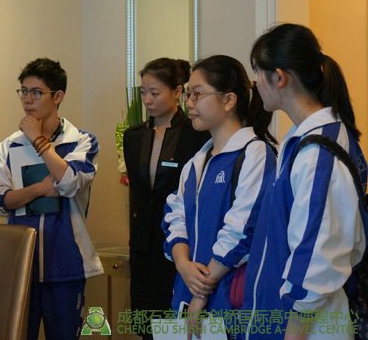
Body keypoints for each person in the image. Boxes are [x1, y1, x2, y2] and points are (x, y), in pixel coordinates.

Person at [242, 23, 367, 340]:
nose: (256, 83)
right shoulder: (305, 139)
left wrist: (294, 331)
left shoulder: (317, 151)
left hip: (308, 327)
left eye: (257, 72)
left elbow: (315, 255)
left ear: (279, 77)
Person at [0, 58, 103, 340]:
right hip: (20, 264)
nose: (27, 99)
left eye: (36, 92)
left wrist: (38, 140)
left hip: (66, 262)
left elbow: (70, 182)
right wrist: (38, 189)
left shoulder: (81, 140)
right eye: (23, 91)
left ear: (57, 96)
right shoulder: (9, 145)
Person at [162, 55, 277, 336]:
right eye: (188, 95)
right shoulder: (196, 163)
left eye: (197, 94)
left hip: (229, 300)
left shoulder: (255, 153)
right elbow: (175, 218)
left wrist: (202, 288)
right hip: (186, 296)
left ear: (228, 100)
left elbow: (243, 228)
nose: (189, 103)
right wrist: (183, 265)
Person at [123, 58, 209, 338]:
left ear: (177, 92)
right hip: (142, 244)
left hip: (178, 245)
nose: (147, 100)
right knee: (146, 324)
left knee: (173, 325)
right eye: (143, 92)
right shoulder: (134, 137)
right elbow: (137, 194)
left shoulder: (196, 135)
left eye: (155, 93)